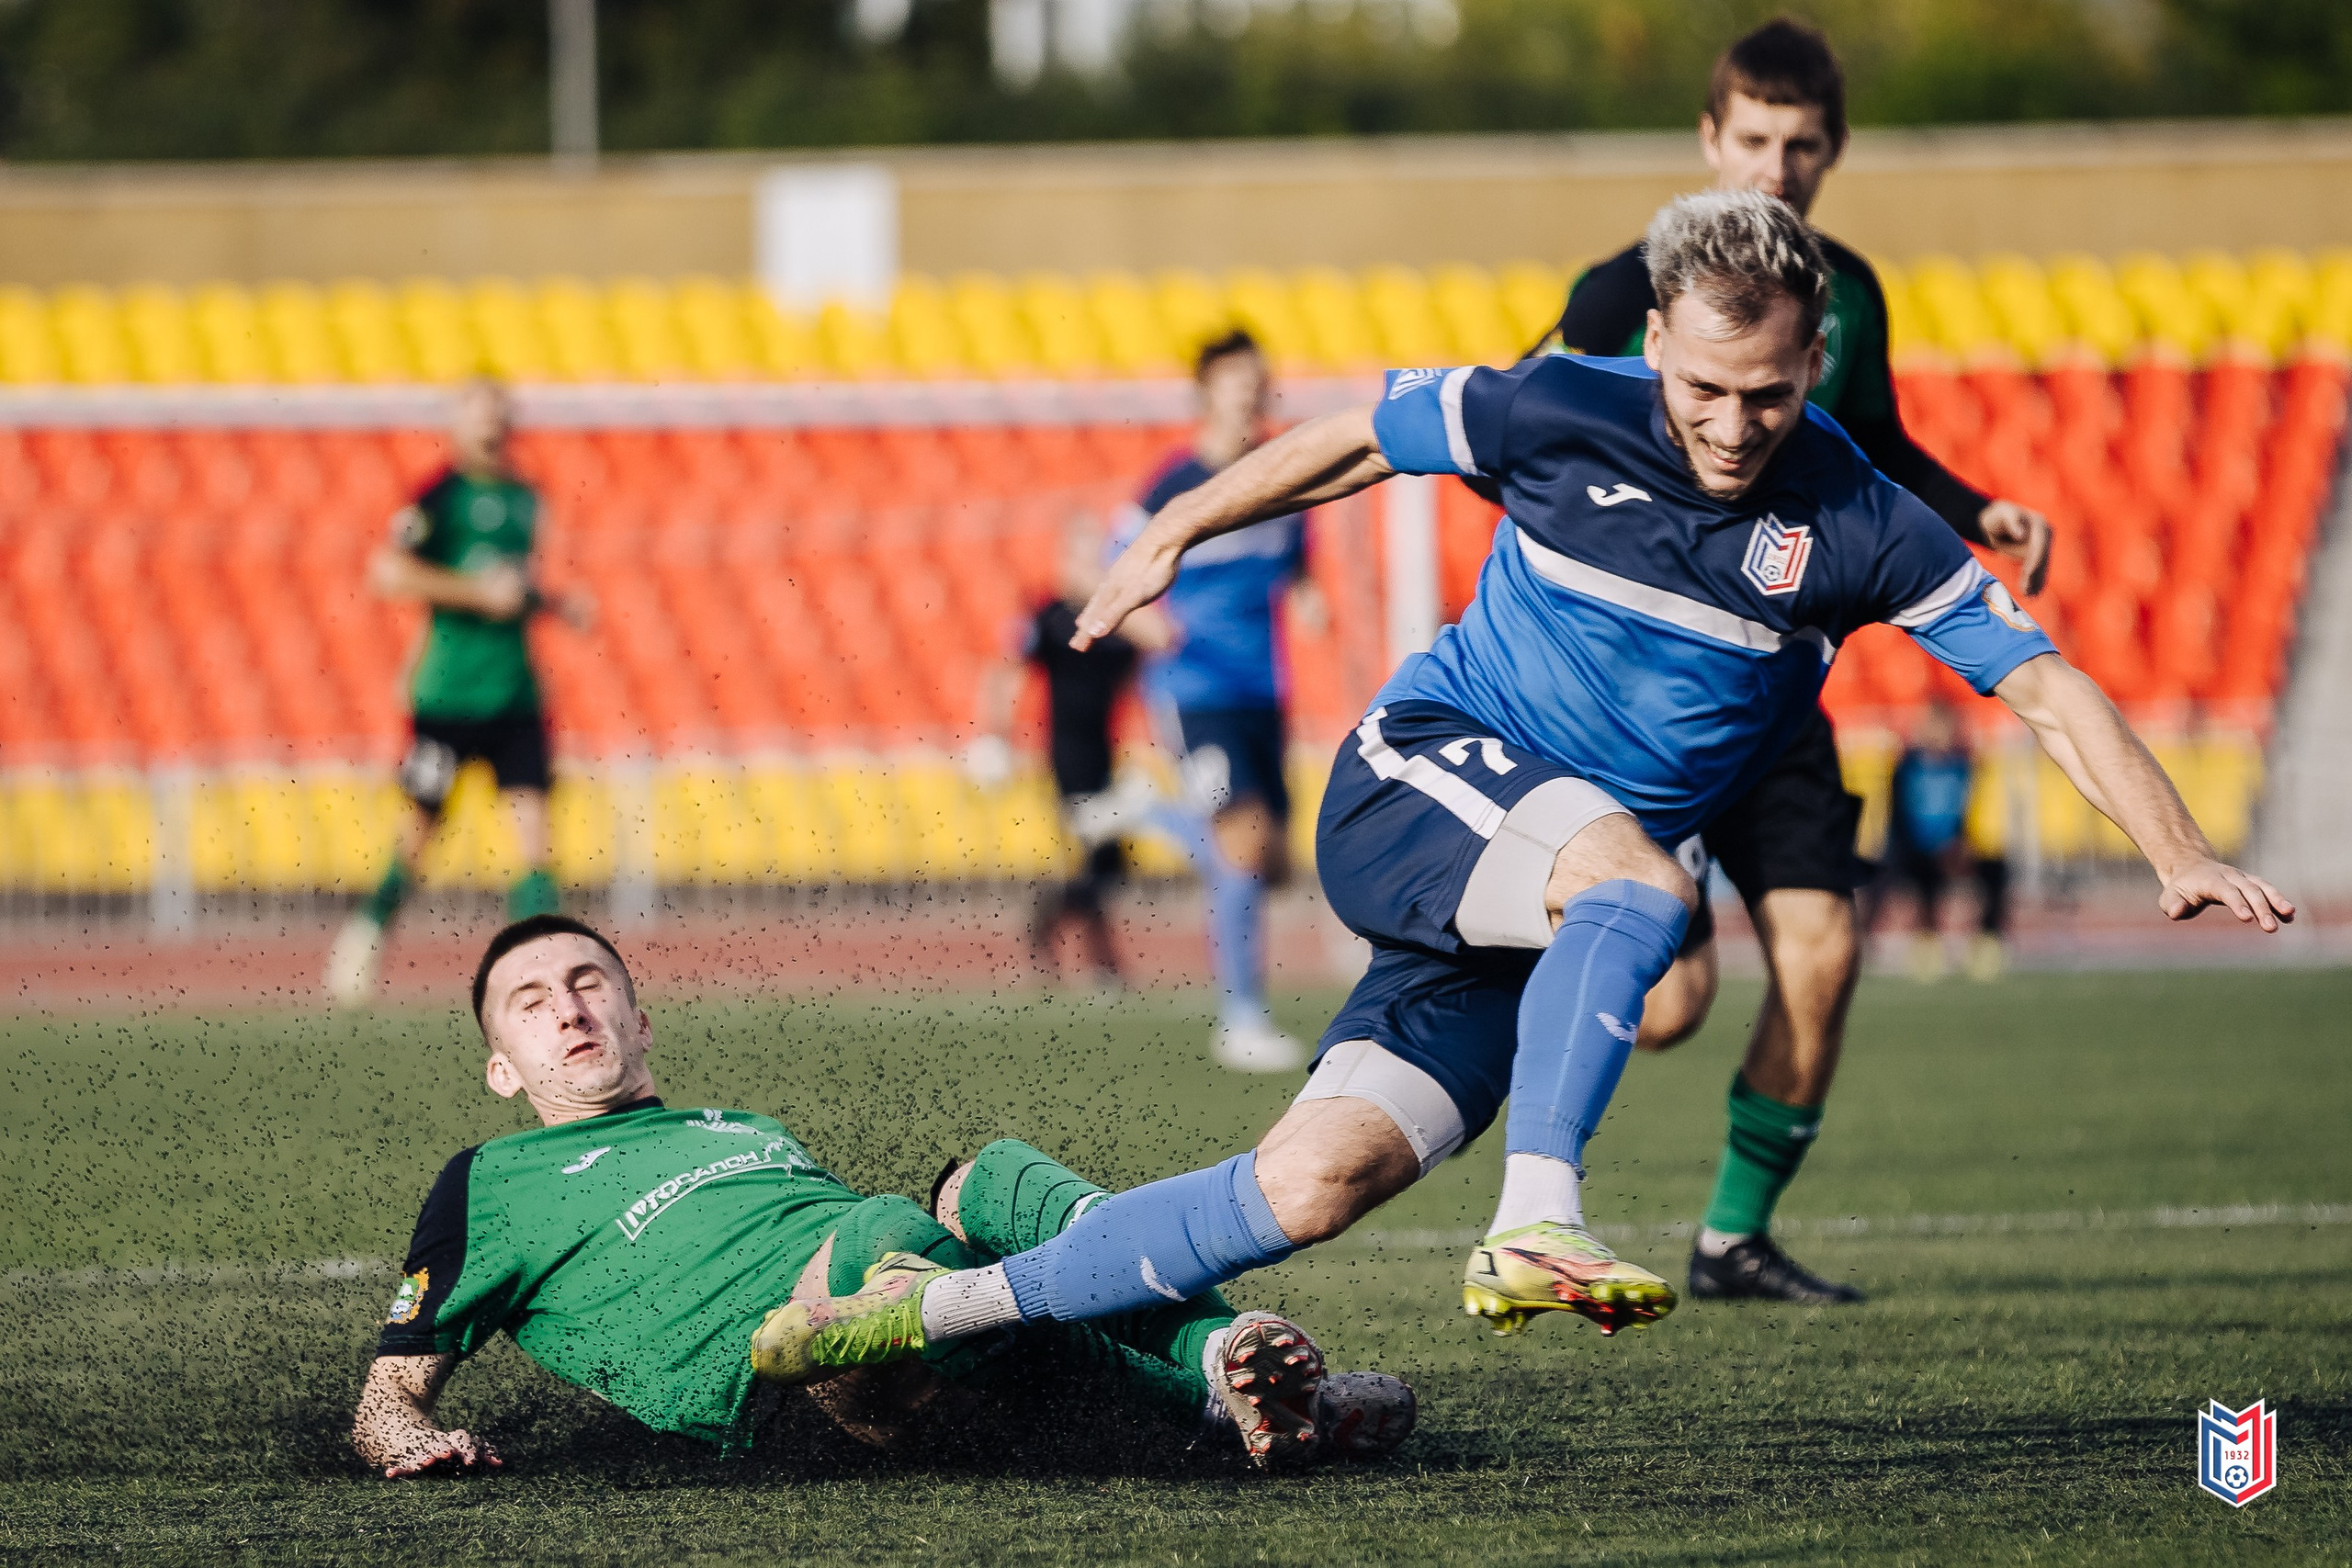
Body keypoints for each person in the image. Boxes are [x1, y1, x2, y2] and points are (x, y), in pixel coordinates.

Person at [753, 190, 2290, 1381]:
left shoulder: (1863, 518)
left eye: (1765, 394)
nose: (1732, 425)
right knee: (1642, 882)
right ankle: (1537, 1219)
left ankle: (920, 1311)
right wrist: (1174, 531)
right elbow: (1355, 443)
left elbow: (2047, 684)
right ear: (1657, 342)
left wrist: (2176, 847)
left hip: (1533, 894)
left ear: (1812, 360)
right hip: (1421, 780)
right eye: (1705, 387)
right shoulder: (1558, 407)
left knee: (1307, 1185)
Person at [1519, 16, 2060, 1304]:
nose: (1776, 167)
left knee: (1823, 952)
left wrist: (1974, 507)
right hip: (1633, 706)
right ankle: (1512, 989)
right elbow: (1530, 439)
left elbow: (1876, 446)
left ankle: (1732, 1239)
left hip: (1772, 690)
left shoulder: (1847, 294)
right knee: (1667, 1007)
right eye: (1755, 139)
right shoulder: (1621, 293)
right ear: (1710, 138)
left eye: (1801, 145)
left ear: (1833, 151)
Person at [353, 914, 1415, 1478]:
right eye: (530, 1002)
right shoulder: (488, 1184)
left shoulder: (743, 1126)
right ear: (502, 1069)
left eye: (590, 984)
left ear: (641, 1020)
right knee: (887, 1230)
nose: (569, 1009)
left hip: (911, 1298)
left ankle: (1224, 1359)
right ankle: (1222, 1401)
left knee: (984, 1178)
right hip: (785, 1379)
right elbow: (388, 1393)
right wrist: (412, 1443)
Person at [326, 378, 594, 1008]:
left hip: (515, 695)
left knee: (536, 841)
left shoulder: (527, 498)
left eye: (498, 414)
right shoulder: (438, 496)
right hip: (448, 699)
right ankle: (366, 932)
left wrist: (553, 604)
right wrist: (477, 594)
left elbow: (514, 586)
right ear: (456, 425)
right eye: (477, 414)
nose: (489, 426)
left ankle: (541, 975)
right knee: (418, 835)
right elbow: (388, 571)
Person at [1115, 329, 1326, 1070]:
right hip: (1194, 687)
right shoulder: (1172, 486)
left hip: (1263, 688)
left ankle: (1150, 812)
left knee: (1273, 860)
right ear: (1206, 392)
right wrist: (1144, 621)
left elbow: (1296, 562)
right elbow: (1112, 569)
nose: (1250, 393)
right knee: (1241, 843)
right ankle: (1240, 1018)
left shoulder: (1283, 475)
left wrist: (1307, 595)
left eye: (1258, 380)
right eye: (1236, 381)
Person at [969, 513, 1170, 989]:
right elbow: (1007, 670)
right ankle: (1099, 961)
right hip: (1067, 752)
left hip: (1109, 750)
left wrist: (1115, 599)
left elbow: (1162, 641)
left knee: (1110, 862)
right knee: (1093, 854)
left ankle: (1051, 927)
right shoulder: (1048, 615)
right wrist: (995, 736)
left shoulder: (1118, 618)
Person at [1862, 697, 2011, 982]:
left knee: (1996, 868)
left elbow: (1969, 811)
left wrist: (1959, 843)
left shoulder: (1964, 765)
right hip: (1912, 848)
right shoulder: (1907, 765)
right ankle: (1918, 938)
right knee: (1904, 871)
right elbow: (1898, 817)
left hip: (1953, 846)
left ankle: (1987, 939)